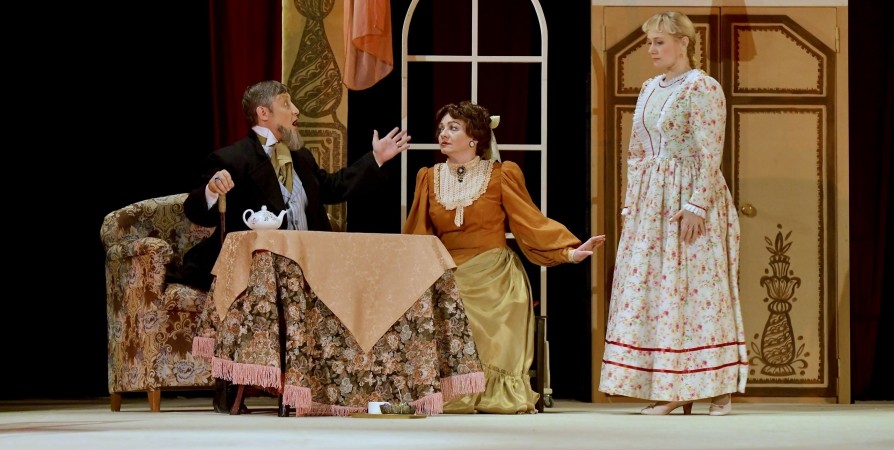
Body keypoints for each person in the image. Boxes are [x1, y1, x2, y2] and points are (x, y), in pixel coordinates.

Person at [177, 80, 411, 413]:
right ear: (264, 113)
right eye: (287, 104)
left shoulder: (300, 155)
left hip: (309, 264)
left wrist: (375, 158)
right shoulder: (232, 158)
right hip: (260, 270)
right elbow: (195, 210)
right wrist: (212, 190)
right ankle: (230, 385)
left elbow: (332, 187)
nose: (296, 110)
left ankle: (335, 385)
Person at [403, 101, 605, 414]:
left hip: (495, 273)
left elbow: (529, 221)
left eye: (453, 128)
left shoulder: (501, 174)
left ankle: (493, 391)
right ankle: (453, 389)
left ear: (474, 137)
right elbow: (418, 235)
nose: (443, 134)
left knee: (492, 313)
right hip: (449, 272)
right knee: (440, 303)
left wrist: (568, 251)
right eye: (441, 128)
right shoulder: (429, 178)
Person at [597, 12, 747, 416]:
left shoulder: (702, 86)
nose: (652, 50)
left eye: (660, 41)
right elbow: (637, 152)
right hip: (652, 202)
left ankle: (709, 387)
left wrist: (697, 205)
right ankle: (674, 384)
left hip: (689, 197)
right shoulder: (649, 88)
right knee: (658, 292)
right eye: (649, 42)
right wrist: (631, 205)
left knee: (695, 291)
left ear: (683, 43)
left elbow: (711, 151)